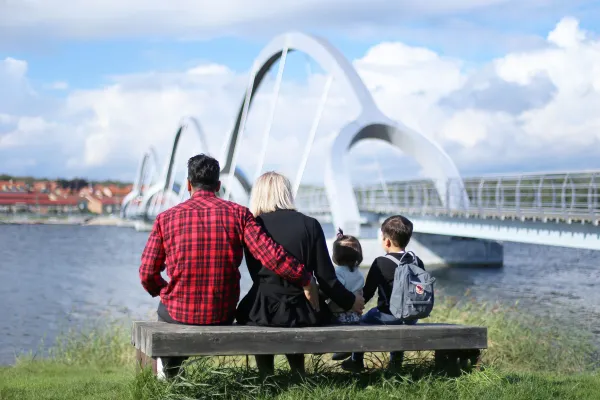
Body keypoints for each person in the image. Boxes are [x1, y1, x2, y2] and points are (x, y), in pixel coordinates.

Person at [139, 154, 319, 379]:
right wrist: (304, 278)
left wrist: (165, 291)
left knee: (164, 312)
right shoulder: (239, 214)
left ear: (188, 184)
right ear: (218, 185)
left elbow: (147, 273)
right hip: (221, 313)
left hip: (178, 312)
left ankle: (170, 371)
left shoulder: (165, 218)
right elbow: (271, 255)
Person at [236, 171, 365, 377]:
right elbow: (326, 278)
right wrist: (351, 301)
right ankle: (298, 374)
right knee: (296, 318)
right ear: (286, 192)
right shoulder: (310, 224)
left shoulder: (254, 227)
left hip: (261, 309)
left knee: (262, 323)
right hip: (303, 308)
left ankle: (266, 375)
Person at [337, 215, 426, 372]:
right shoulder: (416, 260)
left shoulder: (381, 262)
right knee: (400, 321)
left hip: (388, 316)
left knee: (362, 322)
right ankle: (395, 364)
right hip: (412, 317)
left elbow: (368, 293)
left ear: (387, 241)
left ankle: (356, 360)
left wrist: (354, 304)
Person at [328, 228, 365, 325]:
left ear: (336, 256)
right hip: (355, 316)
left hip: (339, 316)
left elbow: (334, 291)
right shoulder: (359, 273)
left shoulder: (338, 272)